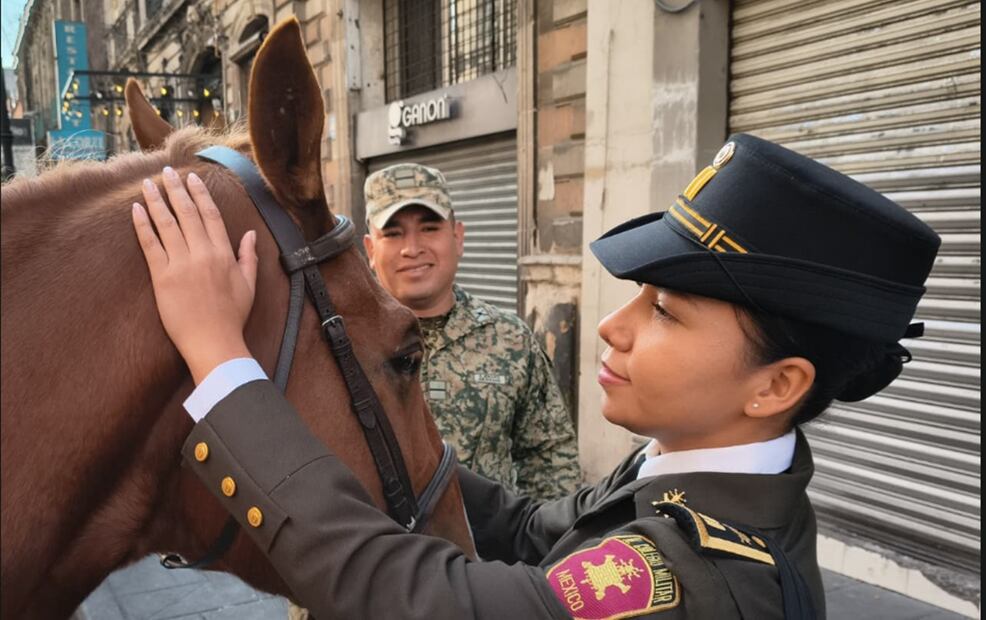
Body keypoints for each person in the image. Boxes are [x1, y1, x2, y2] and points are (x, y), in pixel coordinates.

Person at [131, 133, 940, 619]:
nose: (614, 326)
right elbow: (528, 528)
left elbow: (417, 599)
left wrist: (221, 362)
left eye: (666, 312)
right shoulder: (678, 471)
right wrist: (361, 417)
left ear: (775, 386)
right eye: (640, 295)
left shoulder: (693, 577)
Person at [360, 163, 581, 500]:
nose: (412, 248)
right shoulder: (342, 345)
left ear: (458, 237)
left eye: (429, 228)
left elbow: (550, 460)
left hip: (487, 535)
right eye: (392, 234)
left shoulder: (510, 340)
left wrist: (544, 531)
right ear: (370, 250)